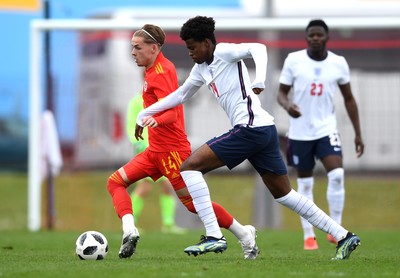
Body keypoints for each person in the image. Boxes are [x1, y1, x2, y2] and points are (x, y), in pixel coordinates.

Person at [135, 16, 361, 260]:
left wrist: (260, 79)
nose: (190, 53)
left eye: (192, 47)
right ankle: (343, 236)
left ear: (207, 43)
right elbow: (180, 94)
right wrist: (145, 112)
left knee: (189, 167)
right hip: (263, 130)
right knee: (284, 194)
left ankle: (214, 236)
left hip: (250, 129)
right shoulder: (201, 68)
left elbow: (258, 48)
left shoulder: (223, 52)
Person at [107, 24, 259, 260]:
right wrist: (146, 119)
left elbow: (173, 112)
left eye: (137, 48)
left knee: (194, 205)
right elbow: (159, 107)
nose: (133, 52)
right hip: (153, 151)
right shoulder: (150, 70)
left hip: (172, 153)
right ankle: (130, 231)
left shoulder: (162, 72)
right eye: (132, 48)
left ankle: (243, 233)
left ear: (154, 48)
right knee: (115, 182)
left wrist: (155, 121)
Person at [277, 19, 365, 250]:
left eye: (319, 35)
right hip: (299, 133)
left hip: (327, 130)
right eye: (311, 35)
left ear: (326, 38)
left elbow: (349, 98)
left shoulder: (338, 63)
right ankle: (309, 236)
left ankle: (336, 230)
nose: (315, 38)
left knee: (336, 175)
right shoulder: (294, 60)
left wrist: (358, 133)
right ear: (306, 38)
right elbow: (281, 94)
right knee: (305, 185)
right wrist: (288, 107)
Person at [126, 94, 186, 234]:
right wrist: (138, 142)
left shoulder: (161, 101)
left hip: (161, 149)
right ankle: (130, 224)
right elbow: (130, 124)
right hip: (146, 150)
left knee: (166, 186)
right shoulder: (136, 102)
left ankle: (168, 224)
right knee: (144, 187)